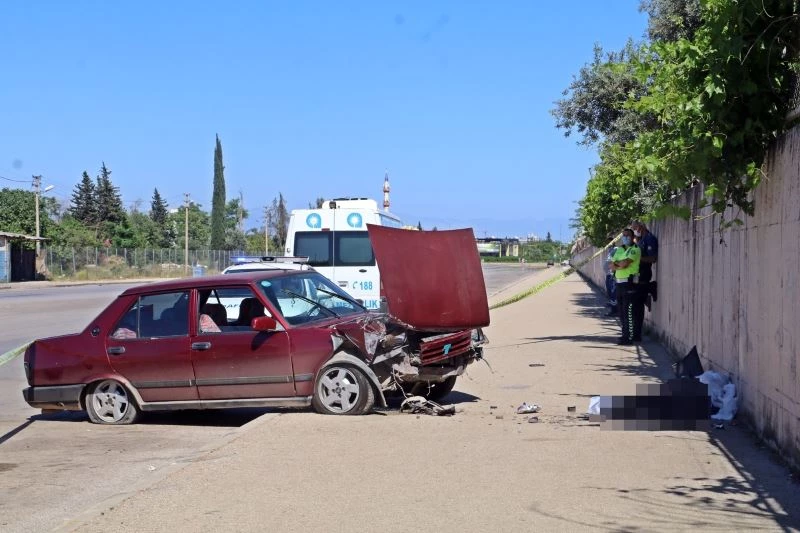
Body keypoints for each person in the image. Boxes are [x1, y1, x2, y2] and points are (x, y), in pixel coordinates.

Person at [610, 228, 642, 345]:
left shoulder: (635, 249)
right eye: (623, 235)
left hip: (629, 284)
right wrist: (619, 265)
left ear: (632, 237)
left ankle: (629, 337)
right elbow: (611, 265)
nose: (625, 237)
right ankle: (624, 334)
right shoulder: (619, 250)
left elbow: (624, 264)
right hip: (619, 284)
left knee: (628, 311)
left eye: (627, 235)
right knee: (621, 311)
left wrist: (618, 264)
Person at [631, 220, 658, 314]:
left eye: (635, 228)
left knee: (638, 299)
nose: (634, 231)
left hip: (644, 273)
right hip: (637, 272)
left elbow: (653, 259)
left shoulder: (649, 239)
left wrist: (638, 259)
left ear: (641, 227)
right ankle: (647, 294)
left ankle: (650, 287)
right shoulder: (641, 239)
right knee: (635, 293)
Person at [604, 241, 618, 316]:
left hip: (612, 275)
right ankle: (613, 308)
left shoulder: (615, 249)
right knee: (610, 292)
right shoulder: (610, 251)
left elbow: (612, 261)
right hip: (609, 274)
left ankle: (615, 310)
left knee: (613, 293)